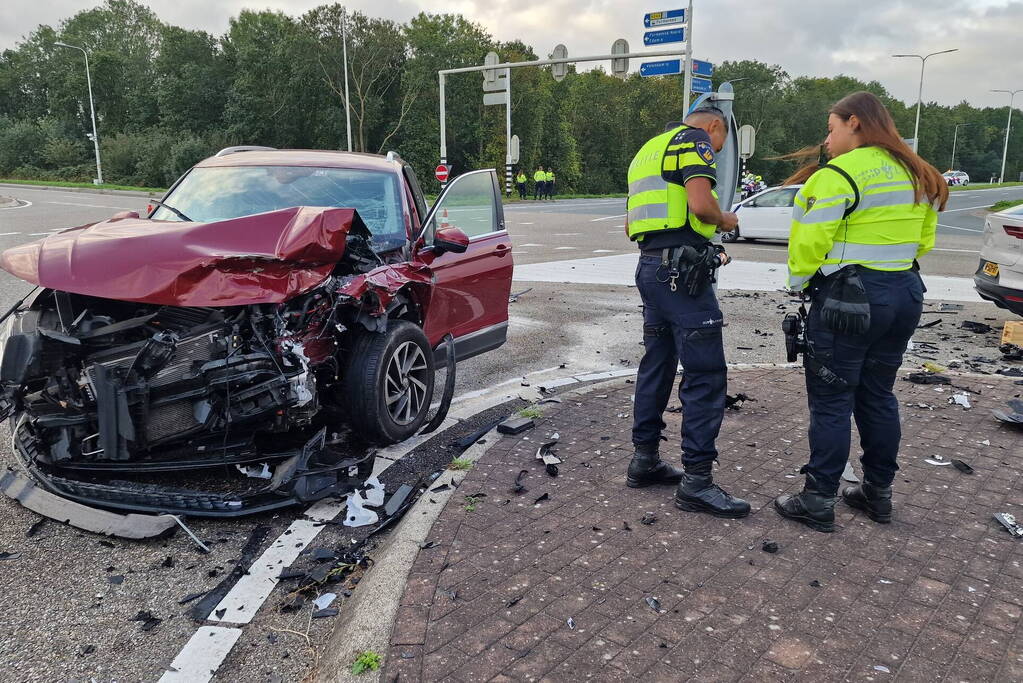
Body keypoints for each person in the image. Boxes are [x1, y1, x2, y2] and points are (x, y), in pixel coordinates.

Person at [773, 91, 947, 532]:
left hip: (848, 299)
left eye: (831, 129)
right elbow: (925, 241)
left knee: (832, 400)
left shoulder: (840, 174)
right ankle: (877, 493)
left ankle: (817, 500)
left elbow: (810, 240)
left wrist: (798, 284)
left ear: (854, 122)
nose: (827, 140)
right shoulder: (918, 172)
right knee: (878, 394)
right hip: (905, 292)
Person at [625, 107, 750, 519]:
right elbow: (700, 205)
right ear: (715, 126)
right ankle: (697, 482)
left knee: (657, 365)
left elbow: (631, 226)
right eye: (722, 141)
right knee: (706, 375)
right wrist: (725, 218)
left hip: (651, 267)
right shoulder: (692, 140)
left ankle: (644, 460)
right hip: (682, 275)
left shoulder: (647, 149)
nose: (718, 148)